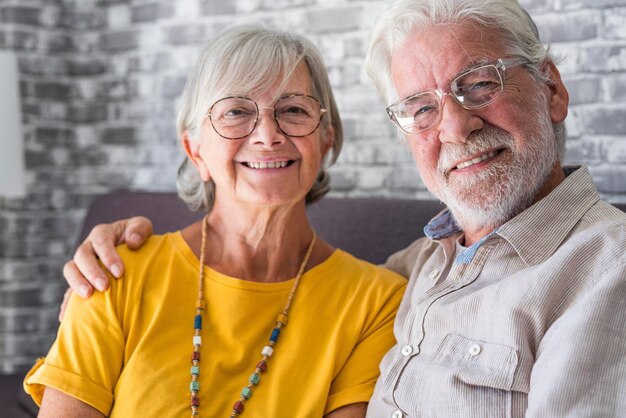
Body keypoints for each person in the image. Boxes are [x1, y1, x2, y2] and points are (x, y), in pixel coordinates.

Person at [59, 0, 626, 416]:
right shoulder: (421, 267)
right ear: (193, 150)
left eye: (479, 84)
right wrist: (114, 255)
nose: (455, 124)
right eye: (420, 107)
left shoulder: (604, 270)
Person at [24, 25, 407, 418]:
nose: (267, 135)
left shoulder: (378, 303)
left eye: (293, 109)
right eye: (236, 112)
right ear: (196, 151)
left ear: (326, 138)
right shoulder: (115, 273)